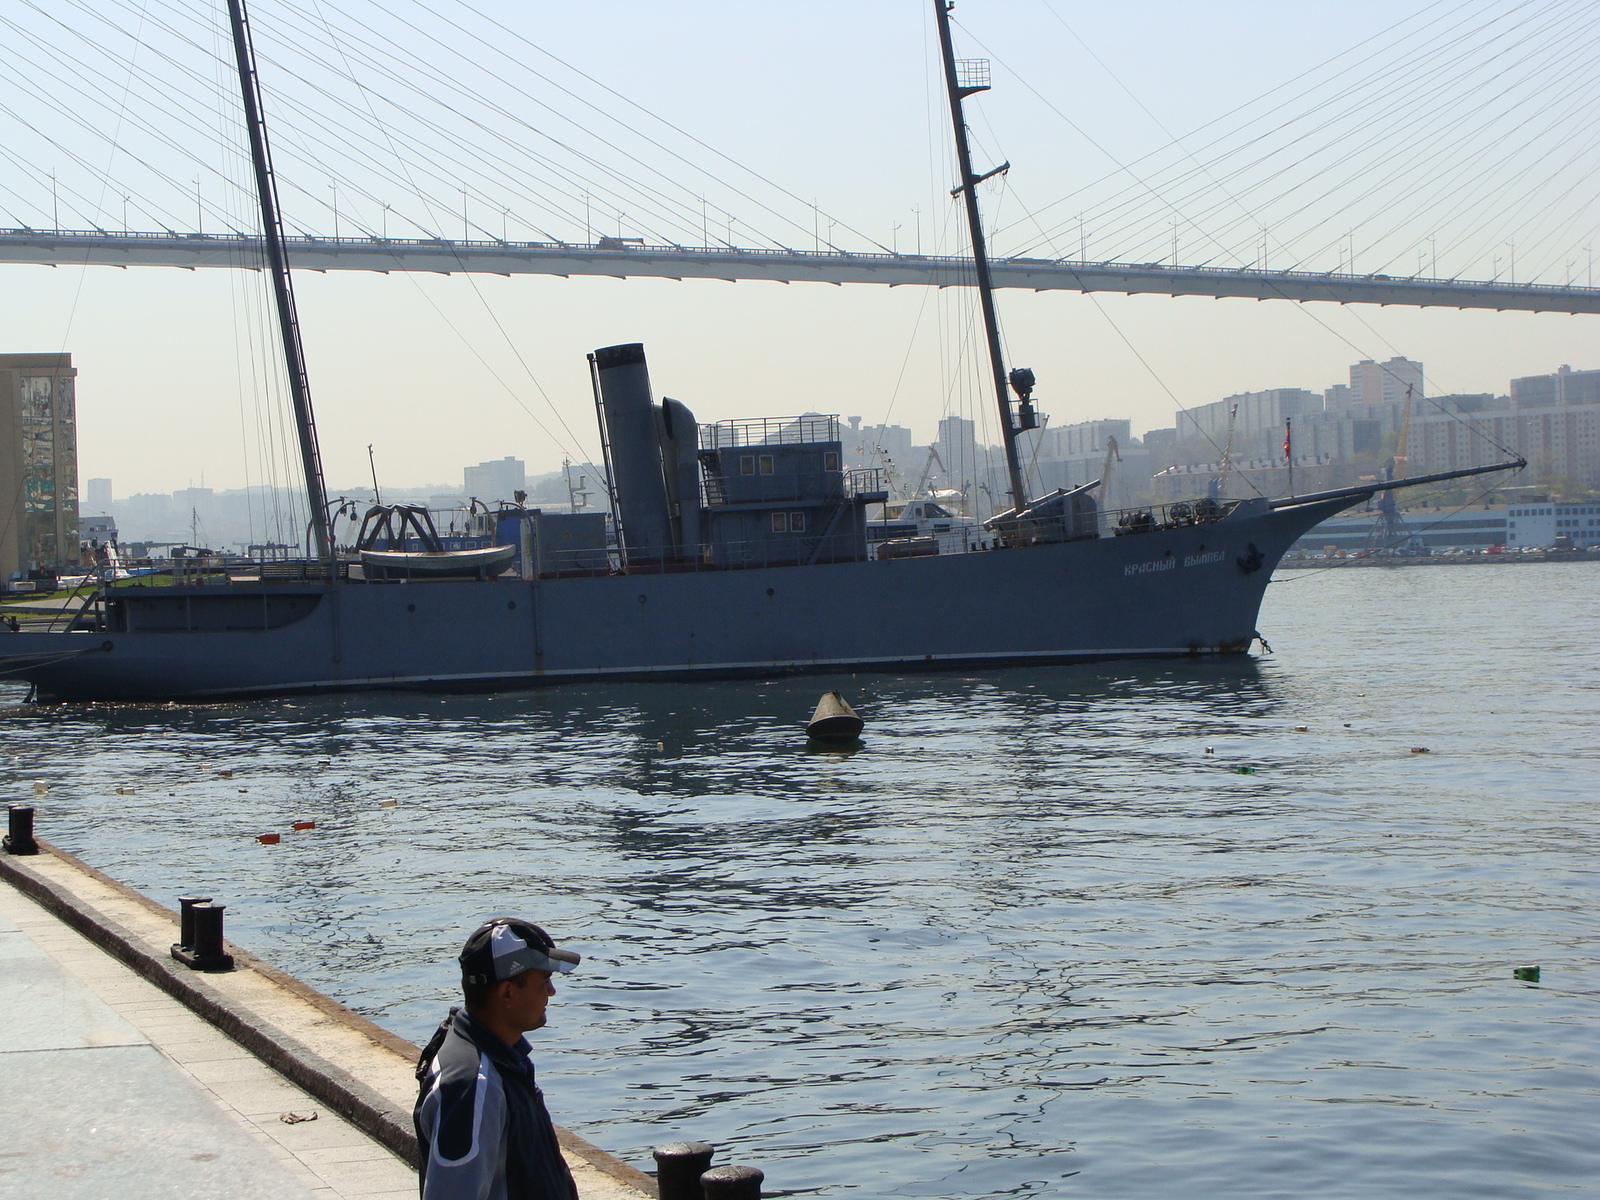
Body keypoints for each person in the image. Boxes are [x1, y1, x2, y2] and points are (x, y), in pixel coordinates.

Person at [414, 919, 583, 1200]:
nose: (551, 991)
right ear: (507, 993)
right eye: (544, 981)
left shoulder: (498, 1058)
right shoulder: (473, 1084)